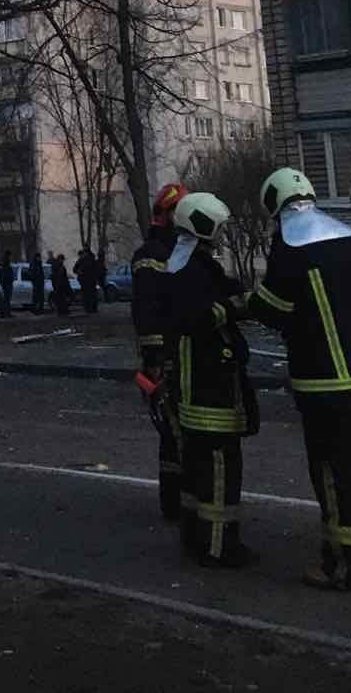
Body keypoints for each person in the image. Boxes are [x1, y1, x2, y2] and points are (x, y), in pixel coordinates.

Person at [249, 168, 351, 591]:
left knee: (332, 472)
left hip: (321, 382)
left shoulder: (290, 245)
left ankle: (344, 566)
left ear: (275, 204)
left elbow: (273, 307)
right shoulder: (349, 238)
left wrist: (249, 303)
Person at [167, 192, 257, 569]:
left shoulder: (186, 263)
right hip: (209, 383)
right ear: (201, 225)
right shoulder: (193, 270)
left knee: (197, 465)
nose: (219, 235)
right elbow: (202, 317)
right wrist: (241, 305)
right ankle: (219, 545)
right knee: (220, 464)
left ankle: (195, 534)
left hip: (193, 381)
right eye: (216, 228)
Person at [132, 181, 189, 520]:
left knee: (181, 432)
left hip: (184, 354)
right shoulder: (152, 256)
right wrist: (155, 360)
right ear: (166, 215)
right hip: (165, 360)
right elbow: (146, 311)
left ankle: (184, 497)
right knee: (172, 434)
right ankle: (174, 501)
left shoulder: (179, 251)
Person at [74, 246, 99, 314]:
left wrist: (79, 272)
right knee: (91, 294)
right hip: (89, 280)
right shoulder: (91, 259)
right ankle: (92, 309)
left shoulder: (83, 260)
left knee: (87, 295)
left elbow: (75, 269)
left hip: (86, 280)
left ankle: (89, 309)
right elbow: (75, 269)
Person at [0, 250, 16, 319]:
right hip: (7, 283)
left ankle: (5, 313)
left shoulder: (5, 263)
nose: (11, 257)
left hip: (6, 283)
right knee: (6, 299)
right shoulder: (5, 264)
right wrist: (4, 282)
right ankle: (5, 314)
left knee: (6, 299)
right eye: (11, 256)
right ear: (8, 256)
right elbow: (3, 274)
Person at [28, 248, 46, 314]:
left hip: (40, 282)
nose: (39, 258)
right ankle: (35, 310)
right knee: (36, 297)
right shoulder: (33, 264)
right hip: (36, 283)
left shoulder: (39, 264)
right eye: (38, 257)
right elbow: (31, 273)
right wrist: (34, 280)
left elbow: (41, 273)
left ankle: (40, 309)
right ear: (36, 257)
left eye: (40, 257)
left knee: (41, 297)